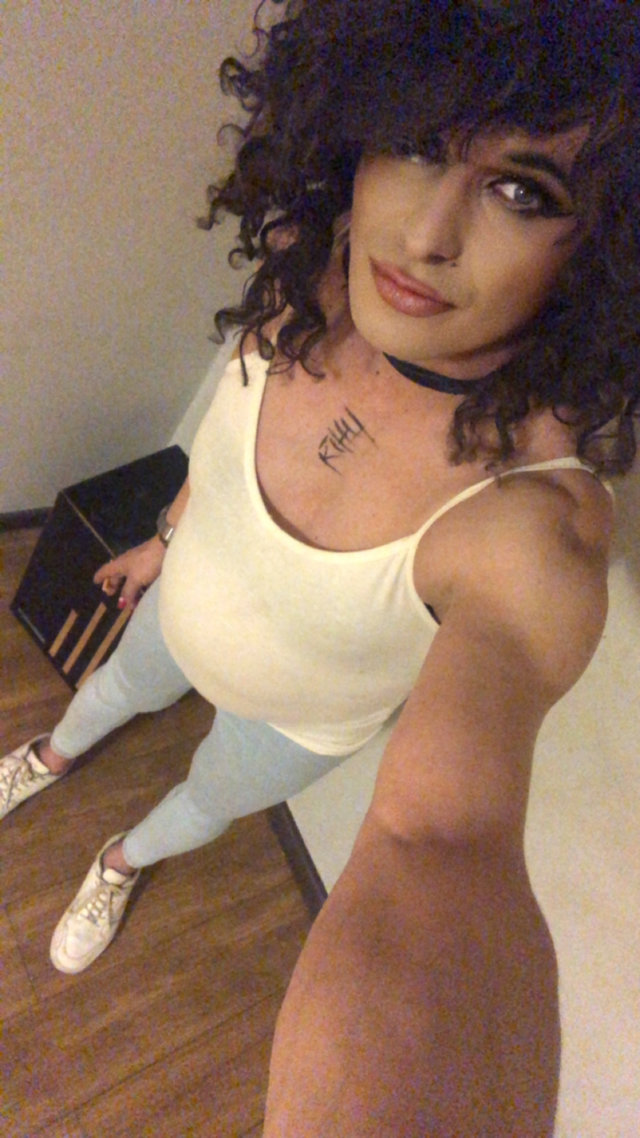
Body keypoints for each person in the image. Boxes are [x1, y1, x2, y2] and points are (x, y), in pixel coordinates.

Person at [2, 0, 639, 1132]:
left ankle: (121, 859)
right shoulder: (317, 280)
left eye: (521, 191)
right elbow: (221, 447)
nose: (426, 235)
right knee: (109, 690)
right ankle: (48, 756)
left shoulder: (532, 526)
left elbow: (437, 847)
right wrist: (165, 539)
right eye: (417, 142)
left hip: (294, 726)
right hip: (178, 602)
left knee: (203, 802)